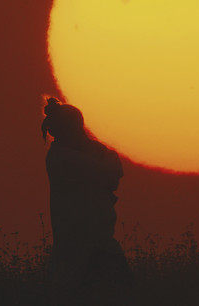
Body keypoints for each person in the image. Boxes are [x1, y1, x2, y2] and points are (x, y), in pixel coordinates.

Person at [41, 98, 131, 303]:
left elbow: (113, 170)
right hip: (74, 247)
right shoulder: (60, 157)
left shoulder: (83, 152)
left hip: (100, 242)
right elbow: (107, 171)